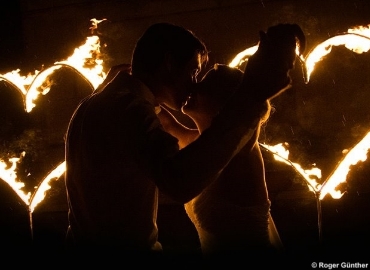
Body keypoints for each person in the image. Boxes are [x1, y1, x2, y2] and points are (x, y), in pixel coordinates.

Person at [64, 22, 304, 260]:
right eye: (193, 71)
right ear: (169, 63)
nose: (194, 83)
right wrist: (253, 91)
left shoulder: (95, 103)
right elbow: (180, 181)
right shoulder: (132, 109)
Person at [158, 64, 285, 263]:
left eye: (205, 85)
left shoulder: (241, 153)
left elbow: (250, 107)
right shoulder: (202, 145)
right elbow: (165, 123)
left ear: (226, 104)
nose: (193, 88)